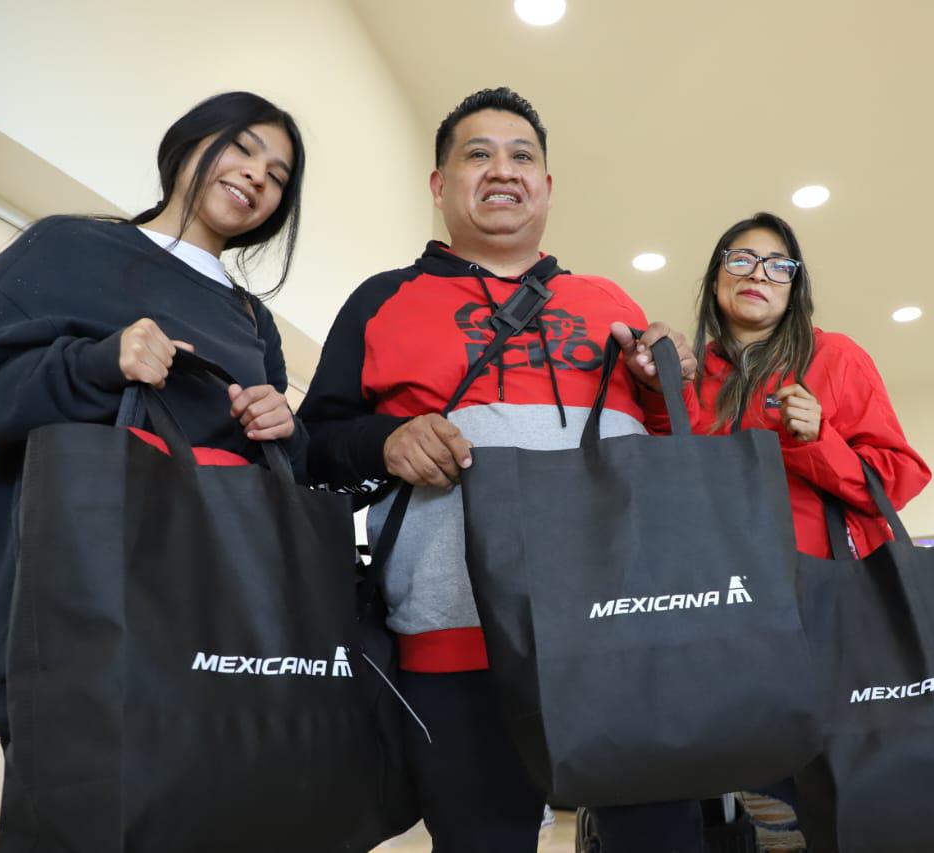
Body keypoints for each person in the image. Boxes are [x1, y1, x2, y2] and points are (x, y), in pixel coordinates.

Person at [298, 87, 701, 853]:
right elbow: (312, 446)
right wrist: (385, 441)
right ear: (439, 183)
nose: (502, 170)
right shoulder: (383, 302)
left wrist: (665, 383)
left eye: (522, 156)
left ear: (547, 185)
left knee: (660, 837)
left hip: (620, 631)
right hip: (451, 637)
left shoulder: (607, 300)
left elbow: (664, 459)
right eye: (476, 154)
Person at [0, 90, 307, 753]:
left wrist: (287, 426)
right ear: (187, 143)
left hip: (213, 648)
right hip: (71, 641)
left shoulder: (253, 321)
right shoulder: (68, 248)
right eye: (243, 148)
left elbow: (278, 486)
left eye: (279, 176)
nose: (259, 176)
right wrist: (95, 363)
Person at [674, 211, 932, 848]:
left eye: (777, 265)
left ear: (795, 287)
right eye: (740, 260)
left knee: (853, 787)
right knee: (770, 790)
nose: (758, 274)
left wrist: (822, 439)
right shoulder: (686, 381)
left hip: (834, 609)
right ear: (715, 280)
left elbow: (899, 478)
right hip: (730, 616)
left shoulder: (835, 357)